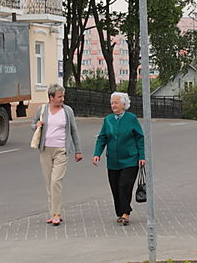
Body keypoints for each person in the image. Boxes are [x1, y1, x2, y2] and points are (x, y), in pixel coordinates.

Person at [31, 84, 83, 226]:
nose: (62, 99)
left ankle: (57, 214)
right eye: (59, 96)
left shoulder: (67, 111)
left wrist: (78, 150)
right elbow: (33, 124)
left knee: (55, 181)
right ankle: (52, 212)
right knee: (49, 183)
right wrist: (36, 125)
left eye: (63, 96)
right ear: (51, 98)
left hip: (61, 150)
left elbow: (73, 130)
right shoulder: (42, 109)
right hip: (45, 150)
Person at [93, 92, 145, 226]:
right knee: (115, 187)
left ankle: (126, 213)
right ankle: (120, 212)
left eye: (116, 102)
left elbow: (140, 137)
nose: (113, 105)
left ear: (124, 104)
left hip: (130, 159)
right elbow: (102, 138)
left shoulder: (131, 118)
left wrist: (142, 156)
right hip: (113, 160)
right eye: (112, 103)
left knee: (124, 185)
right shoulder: (108, 120)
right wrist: (97, 154)